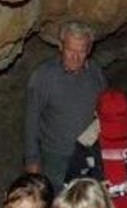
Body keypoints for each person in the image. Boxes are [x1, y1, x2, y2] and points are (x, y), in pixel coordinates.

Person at [24, 21, 107, 190]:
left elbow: (106, 112)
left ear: (89, 50)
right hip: (56, 156)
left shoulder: (95, 73)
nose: (75, 57)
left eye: (81, 51)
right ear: (61, 47)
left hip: (89, 154)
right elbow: (30, 121)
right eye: (70, 50)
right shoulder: (44, 76)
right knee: (59, 204)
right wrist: (32, 160)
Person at [65, 89, 127, 208]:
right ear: (96, 115)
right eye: (110, 122)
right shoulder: (86, 144)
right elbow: (71, 182)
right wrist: (96, 188)